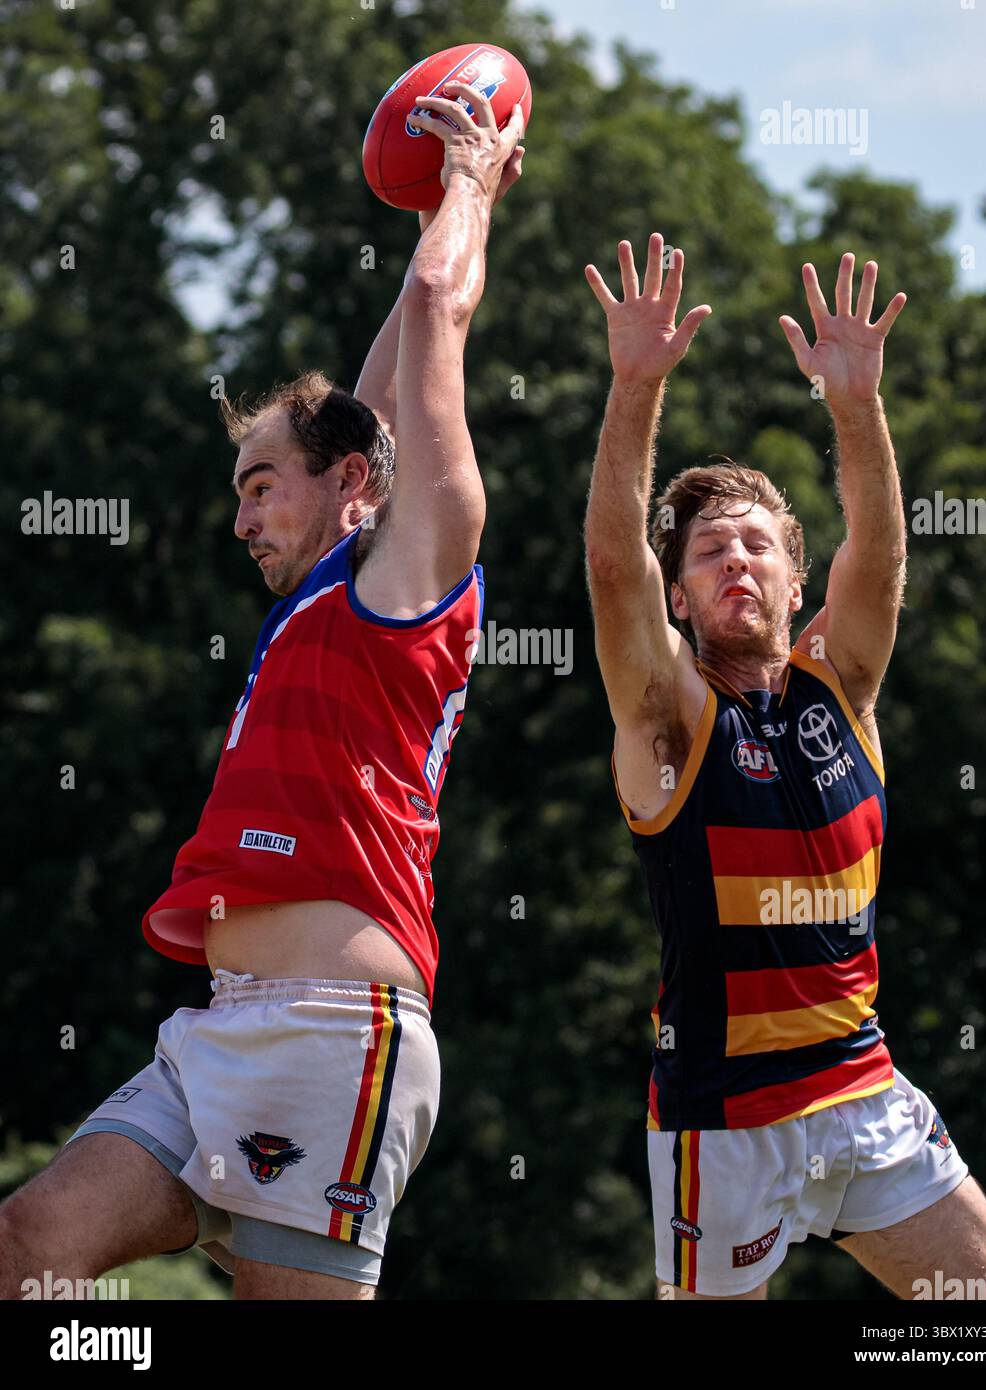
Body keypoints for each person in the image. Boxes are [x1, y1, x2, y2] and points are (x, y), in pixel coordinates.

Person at [0, 83, 524, 1302]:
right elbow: (408, 323)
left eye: (258, 485)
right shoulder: (312, 601)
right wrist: (440, 218)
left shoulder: (414, 570)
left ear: (349, 483)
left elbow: (441, 313)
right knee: (31, 1251)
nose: (239, 517)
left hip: (336, 1037)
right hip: (218, 1033)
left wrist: (468, 176)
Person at [583, 233, 986, 1301]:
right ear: (680, 600)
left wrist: (853, 404)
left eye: (755, 545)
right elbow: (611, 567)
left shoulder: (844, 686)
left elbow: (877, 553)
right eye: (706, 552)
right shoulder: (670, 720)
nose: (733, 559)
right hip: (724, 1116)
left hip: (862, 1088)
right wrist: (635, 386)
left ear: (794, 581)